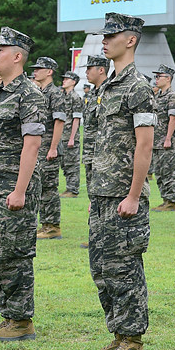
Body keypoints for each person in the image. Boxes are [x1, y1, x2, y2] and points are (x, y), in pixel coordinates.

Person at [83, 12, 156, 350]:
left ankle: (133, 341)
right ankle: (117, 336)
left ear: (131, 40)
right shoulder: (108, 87)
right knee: (102, 268)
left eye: (112, 35)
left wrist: (132, 195)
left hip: (124, 196)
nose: (104, 40)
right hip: (103, 194)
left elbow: (144, 146)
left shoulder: (138, 86)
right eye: (104, 35)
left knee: (125, 268)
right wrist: (95, 195)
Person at [0, 27, 45, 341]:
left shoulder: (29, 93)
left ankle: (21, 320)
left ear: (17, 56)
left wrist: (19, 190)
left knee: (15, 254)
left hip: (14, 190)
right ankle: (7, 315)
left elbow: (31, 145)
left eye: (1, 49)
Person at [31, 57, 66, 239]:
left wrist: (53, 147)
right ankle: (45, 223)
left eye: (39, 69)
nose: (35, 72)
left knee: (49, 188)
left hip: (49, 149)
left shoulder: (55, 93)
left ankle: (52, 226)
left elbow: (59, 122)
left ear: (49, 71)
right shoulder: (39, 92)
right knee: (40, 186)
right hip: (40, 148)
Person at [80, 55, 109, 249]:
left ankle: (103, 236)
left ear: (101, 70)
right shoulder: (91, 95)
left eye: (91, 68)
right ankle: (95, 234)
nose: (86, 71)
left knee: (103, 195)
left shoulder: (109, 92)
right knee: (93, 195)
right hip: (90, 153)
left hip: (103, 154)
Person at [150, 64, 175, 212]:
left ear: (168, 78)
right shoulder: (158, 95)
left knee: (168, 172)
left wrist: (168, 138)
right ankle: (165, 200)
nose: (156, 79)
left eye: (159, 76)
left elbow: (173, 118)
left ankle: (170, 202)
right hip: (157, 141)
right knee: (160, 172)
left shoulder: (172, 95)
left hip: (167, 142)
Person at [59, 71, 82, 198]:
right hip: (62, 136)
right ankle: (69, 188)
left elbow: (76, 119)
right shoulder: (63, 96)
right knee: (64, 163)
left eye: (67, 79)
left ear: (73, 82)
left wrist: (72, 138)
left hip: (70, 136)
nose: (64, 81)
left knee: (72, 163)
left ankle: (73, 190)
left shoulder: (75, 97)